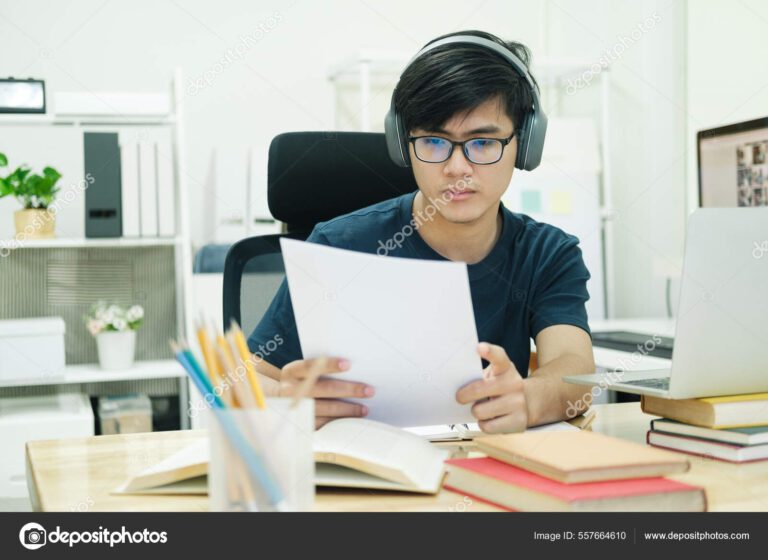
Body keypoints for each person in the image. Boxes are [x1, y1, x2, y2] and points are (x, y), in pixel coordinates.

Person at [248, 30, 595, 432]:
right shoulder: (339, 247)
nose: (457, 169)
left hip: (488, 468)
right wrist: (284, 399)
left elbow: (575, 370)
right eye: (433, 141)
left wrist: (528, 401)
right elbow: (236, 381)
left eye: (483, 143)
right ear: (402, 143)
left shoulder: (547, 253)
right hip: (364, 474)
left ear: (525, 145)